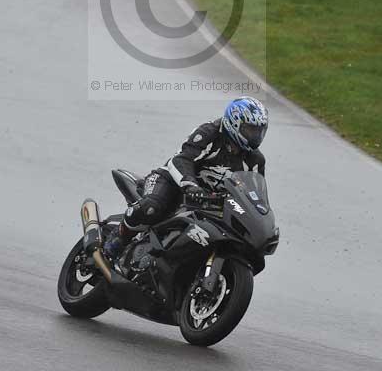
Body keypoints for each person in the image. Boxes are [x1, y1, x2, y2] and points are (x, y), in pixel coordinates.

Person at [103, 96, 269, 261]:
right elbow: (181, 160)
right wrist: (191, 185)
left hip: (210, 202)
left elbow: (253, 193)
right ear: (234, 122)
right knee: (151, 207)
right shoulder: (210, 133)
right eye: (250, 130)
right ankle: (118, 238)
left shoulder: (255, 161)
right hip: (173, 182)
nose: (256, 136)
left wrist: (260, 220)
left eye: (259, 131)